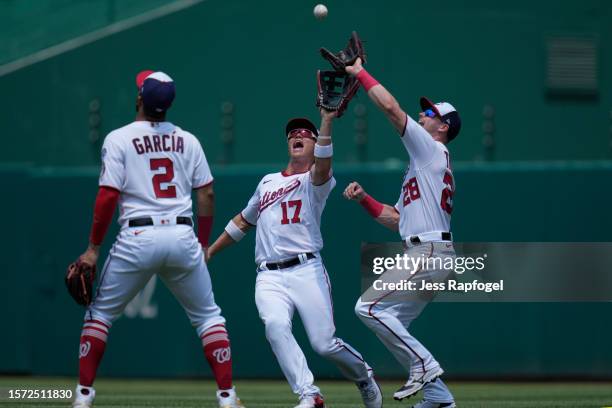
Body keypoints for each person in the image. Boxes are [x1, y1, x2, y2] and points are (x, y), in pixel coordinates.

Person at [70, 70, 244, 408]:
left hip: (138, 234)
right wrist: (202, 243)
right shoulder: (188, 139)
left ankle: (83, 397)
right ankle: (227, 397)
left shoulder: (119, 138)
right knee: (208, 317)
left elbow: (107, 196)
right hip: (181, 234)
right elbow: (206, 193)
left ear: (140, 99)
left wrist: (93, 248)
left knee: (100, 315)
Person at [207, 110, 382, 408]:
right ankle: (309, 394)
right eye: (292, 133)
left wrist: (326, 121)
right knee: (275, 326)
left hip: (306, 269)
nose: (297, 135)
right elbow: (242, 222)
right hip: (268, 275)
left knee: (324, 344)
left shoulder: (316, 180)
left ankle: (363, 375)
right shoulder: (267, 182)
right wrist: (209, 251)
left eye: (305, 133)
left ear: (316, 144)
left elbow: (324, 165)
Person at [343, 57, 461, 408]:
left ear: (443, 127)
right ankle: (439, 396)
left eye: (431, 114)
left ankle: (426, 366)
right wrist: (365, 200)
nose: (423, 115)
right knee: (390, 321)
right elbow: (397, 219)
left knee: (368, 309)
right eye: (425, 112)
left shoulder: (431, 149)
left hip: (426, 253)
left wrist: (359, 72)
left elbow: (392, 109)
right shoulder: (422, 165)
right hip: (429, 251)